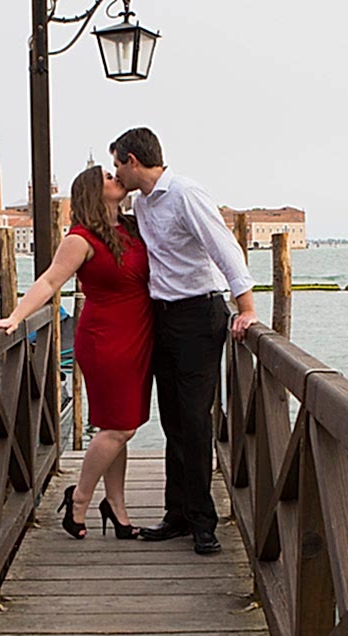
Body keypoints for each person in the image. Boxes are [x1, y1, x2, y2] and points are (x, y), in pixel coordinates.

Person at [109, 127, 257, 555]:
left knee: (195, 420)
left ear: (133, 161)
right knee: (172, 419)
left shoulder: (186, 194)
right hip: (162, 316)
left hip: (198, 314)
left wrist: (246, 308)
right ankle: (177, 514)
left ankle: (202, 521)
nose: (117, 172)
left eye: (119, 163)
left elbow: (225, 249)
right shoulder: (141, 203)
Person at [0, 165, 151, 540]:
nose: (116, 178)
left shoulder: (130, 228)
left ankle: (118, 509)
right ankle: (79, 499)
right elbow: (49, 280)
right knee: (118, 426)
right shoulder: (80, 238)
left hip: (138, 336)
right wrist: (14, 317)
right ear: (94, 191)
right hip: (104, 339)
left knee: (119, 428)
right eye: (109, 177)